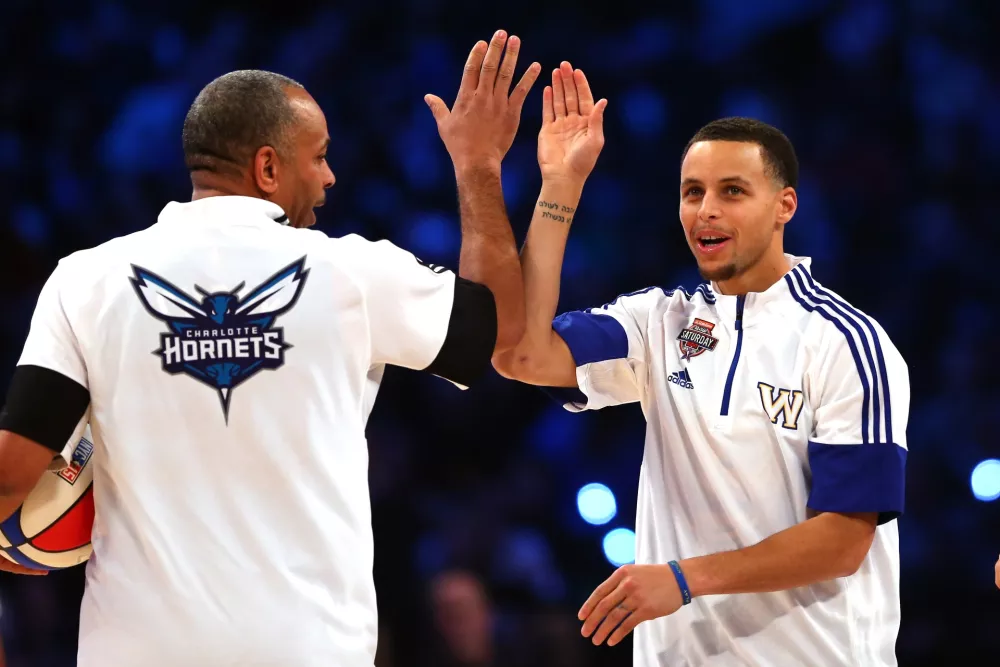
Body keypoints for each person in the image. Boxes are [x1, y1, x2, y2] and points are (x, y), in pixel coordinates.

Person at [0, 30, 541, 666]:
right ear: (267, 167)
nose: (330, 176)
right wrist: (478, 166)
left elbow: (10, 476)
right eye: (320, 157)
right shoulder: (352, 272)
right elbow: (503, 329)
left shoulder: (85, 279)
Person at [493, 64, 909, 666]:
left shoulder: (846, 342)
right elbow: (522, 355)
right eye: (693, 193)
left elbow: (844, 539)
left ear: (784, 205)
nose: (705, 210)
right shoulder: (658, 324)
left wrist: (684, 579)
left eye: (732, 191)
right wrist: (560, 186)